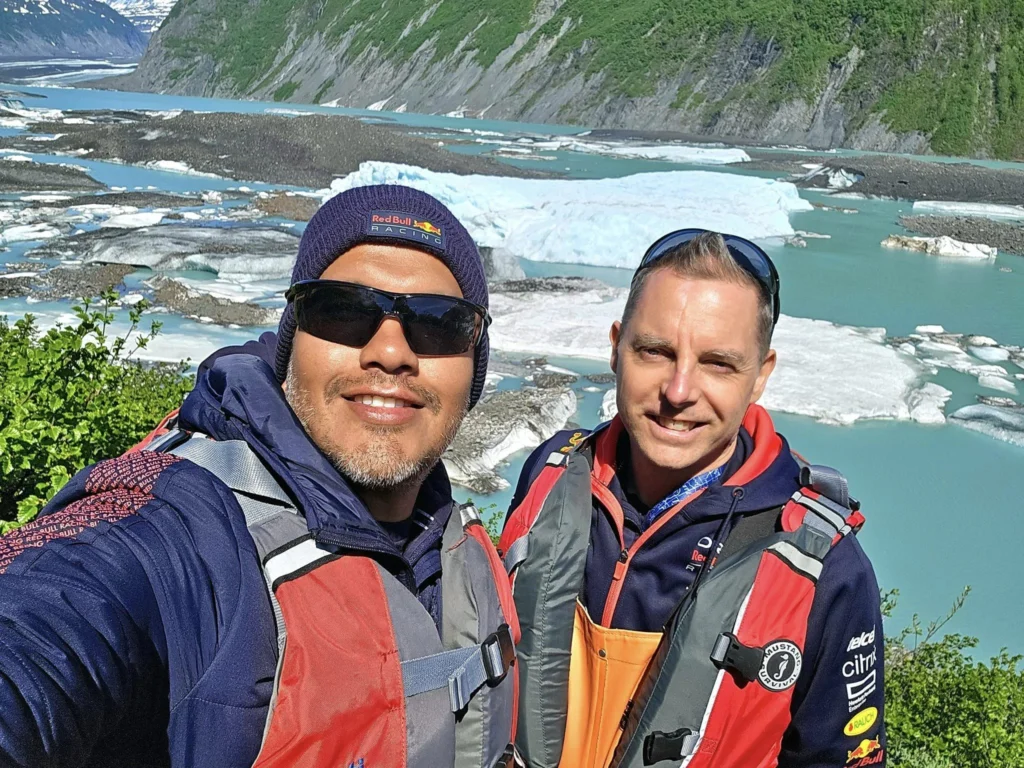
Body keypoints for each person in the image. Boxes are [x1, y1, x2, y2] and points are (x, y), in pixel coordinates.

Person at [0, 185, 519, 768]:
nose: (391, 352)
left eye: (440, 324)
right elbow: (52, 619)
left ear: (475, 367)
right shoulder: (184, 528)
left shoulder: (443, 535)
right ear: (292, 340)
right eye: (344, 311)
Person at [500, 230, 886, 768]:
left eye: (718, 363)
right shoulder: (550, 477)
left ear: (760, 376)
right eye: (655, 351)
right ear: (615, 347)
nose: (679, 391)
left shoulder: (822, 566)